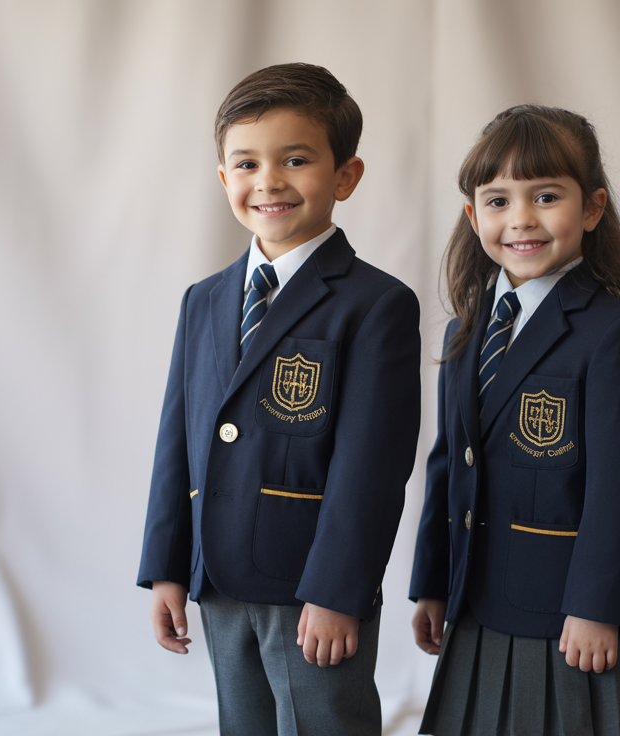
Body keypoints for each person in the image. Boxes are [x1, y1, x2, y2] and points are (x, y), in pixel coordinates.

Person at [138, 63, 421, 736]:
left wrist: (336, 590)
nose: (268, 181)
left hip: (310, 583)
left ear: (345, 176)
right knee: (246, 724)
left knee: (325, 722)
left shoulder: (375, 304)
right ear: (223, 178)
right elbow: (178, 440)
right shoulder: (203, 300)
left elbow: (371, 466)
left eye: (295, 159)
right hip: (218, 572)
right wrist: (167, 568)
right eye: (246, 163)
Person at [409, 104, 620, 735]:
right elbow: (449, 464)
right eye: (497, 201)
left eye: (545, 196)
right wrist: (433, 581)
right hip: (477, 599)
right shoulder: (467, 331)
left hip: (566, 616)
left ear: (591, 209)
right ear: (474, 216)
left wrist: (596, 607)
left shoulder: (615, 336)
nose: (521, 219)